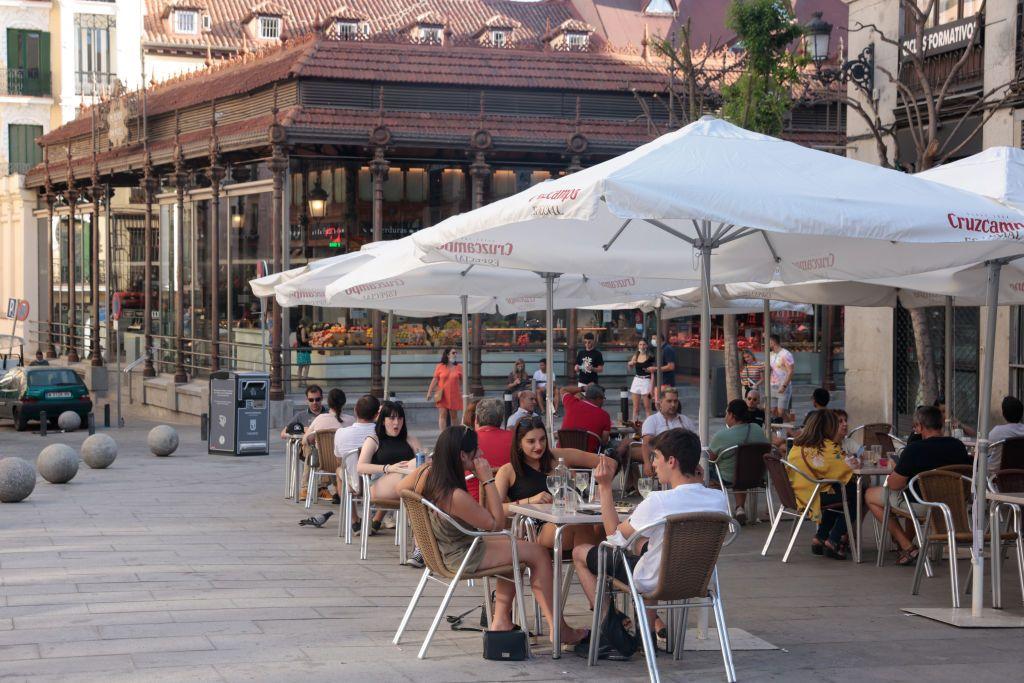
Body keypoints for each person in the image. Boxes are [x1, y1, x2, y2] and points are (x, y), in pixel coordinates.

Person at [396, 425, 588, 646]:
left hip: (445, 548)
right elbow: (496, 524)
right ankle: (559, 629)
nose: (481, 454)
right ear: (462, 455)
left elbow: (402, 489)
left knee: (516, 544)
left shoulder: (427, 473)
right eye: (476, 450)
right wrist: (487, 480)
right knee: (538, 553)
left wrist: (425, 509)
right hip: (461, 554)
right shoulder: (454, 495)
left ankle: (501, 620)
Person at [571, 428, 729, 644]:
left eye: (656, 457)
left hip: (655, 581)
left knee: (580, 552)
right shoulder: (719, 499)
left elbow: (614, 537)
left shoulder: (658, 501)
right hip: (698, 580)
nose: (653, 464)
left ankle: (610, 628)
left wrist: (606, 487)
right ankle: (646, 641)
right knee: (644, 545)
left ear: (671, 461)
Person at [865, 405, 971, 566]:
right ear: (940, 424)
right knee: (911, 493)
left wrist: (897, 468)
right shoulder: (958, 446)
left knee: (870, 495)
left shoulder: (915, 449)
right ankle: (906, 544)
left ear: (920, 427)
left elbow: (893, 485)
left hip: (922, 506)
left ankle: (907, 546)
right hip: (951, 506)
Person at [494, 416, 616, 552]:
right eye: (531, 441)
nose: (539, 446)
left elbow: (610, 463)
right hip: (535, 530)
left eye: (542, 439)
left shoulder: (558, 457)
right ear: (519, 443)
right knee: (581, 526)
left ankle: (592, 567)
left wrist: (600, 487)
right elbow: (495, 509)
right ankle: (591, 566)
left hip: (571, 518)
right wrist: (529, 501)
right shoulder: (508, 470)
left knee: (605, 524)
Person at [787, 409, 856, 560]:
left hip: (797, 494)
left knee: (840, 492)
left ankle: (820, 537)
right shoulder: (825, 447)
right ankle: (834, 539)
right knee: (857, 493)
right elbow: (845, 470)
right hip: (814, 497)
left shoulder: (798, 445)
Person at [356, 401, 423, 533]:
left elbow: (423, 462)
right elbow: (360, 467)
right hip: (378, 485)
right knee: (415, 466)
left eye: (399, 418)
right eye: (391, 418)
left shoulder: (410, 440)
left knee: (421, 463)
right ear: (383, 421)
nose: (396, 422)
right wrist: (388, 468)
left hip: (407, 483)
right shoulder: (374, 440)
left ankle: (422, 538)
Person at [708, 399, 770, 524]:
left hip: (730, 477)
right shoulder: (757, 428)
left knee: (708, 471)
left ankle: (716, 510)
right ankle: (739, 507)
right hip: (757, 476)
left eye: (726, 413)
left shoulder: (721, 436)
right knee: (740, 468)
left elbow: (711, 458)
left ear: (731, 415)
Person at [466, 398, 514, 502]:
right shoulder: (514, 439)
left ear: (477, 419)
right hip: (508, 504)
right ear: (501, 420)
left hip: (471, 504)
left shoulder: (465, 439)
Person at [640, 388, 696, 475]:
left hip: (684, 459)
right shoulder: (652, 420)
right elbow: (646, 443)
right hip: (662, 459)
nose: (673, 405)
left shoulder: (686, 420)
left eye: (675, 401)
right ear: (661, 402)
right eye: (669, 401)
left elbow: (694, 441)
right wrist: (647, 463)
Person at [334, 394, 380, 497]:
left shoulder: (340, 432)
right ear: (377, 414)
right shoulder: (382, 435)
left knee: (339, 470)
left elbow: (339, 460)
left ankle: (350, 512)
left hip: (354, 483)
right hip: (378, 485)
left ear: (355, 410)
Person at [426, 347, 463, 432]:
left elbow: (463, 381)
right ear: (447, 355)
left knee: (454, 416)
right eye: (453, 353)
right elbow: (434, 379)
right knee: (442, 415)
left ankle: (455, 434)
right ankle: (443, 434)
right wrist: (429, 392)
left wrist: (464, 392)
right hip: (442, 394)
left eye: (456, 353)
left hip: (454, 394)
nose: (455, 355)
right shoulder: (440, 366)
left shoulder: (459, 367)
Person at [989, 395, 1024, 470]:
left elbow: (986, 447)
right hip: (1020, 473)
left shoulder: (997, 432)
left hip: (996, 475)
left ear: (1004, 414)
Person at [626, 339, 654, 422]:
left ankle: (649, 426)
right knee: (635, 407)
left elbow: (653, 373)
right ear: (638, 346)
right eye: (640, 344)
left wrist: (652, 388)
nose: (642, 346)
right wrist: (630, 364)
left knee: (647, 407)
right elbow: (630, 369)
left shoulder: (650, 356)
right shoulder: (636, 354)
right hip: (637, 380)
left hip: (646, 380)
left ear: (647, 345)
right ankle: (635, 426)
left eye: (644, 344)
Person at [769, 335, 795, 419]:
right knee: (773, 411)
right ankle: (776, 431)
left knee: (781, 413)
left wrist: (784, 386)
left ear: (772, 342)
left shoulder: (786, 354)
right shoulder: (770, 354)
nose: (764, 344)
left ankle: (788, 430)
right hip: (772, 385)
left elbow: (790, 371)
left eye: (767, 341)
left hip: (783, 386)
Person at [649, 333, 677, 401]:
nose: (652, 340)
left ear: (660, 339)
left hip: (665, 382)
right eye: (652, 338)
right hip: (659, 382)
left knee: (662, 404)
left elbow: (671, 366)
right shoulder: (659, 349)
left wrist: (655, 369)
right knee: (658, 403)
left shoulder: (667, 349)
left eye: (654, 338)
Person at [295, 318, 313, 385]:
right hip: (304, 349)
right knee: (307, 366)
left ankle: (299, 382)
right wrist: (310, 338)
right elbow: (303, 340)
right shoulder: (303, 329)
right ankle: (304, 381)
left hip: (299, 349)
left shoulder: (298, 328)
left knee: (300, 367)